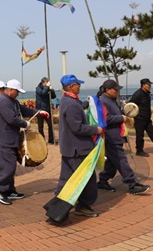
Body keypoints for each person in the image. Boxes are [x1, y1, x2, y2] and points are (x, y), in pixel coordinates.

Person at [51, 74, 103, 220]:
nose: (80, 86)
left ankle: (57, 210)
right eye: (78, 84)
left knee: (66, 181)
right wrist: (95, 129)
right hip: (78, 149)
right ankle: (83, 206)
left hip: (70, 148)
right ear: (71, 86)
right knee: (87, 179)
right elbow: (77, 128)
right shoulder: (72, 104)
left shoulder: (67, 101)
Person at [0, 79, 48, 205]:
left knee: (10, 166)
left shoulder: (13, 101)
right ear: (10, 90)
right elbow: (11, 119)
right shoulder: (3, 102)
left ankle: (9, 190)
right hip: (2, 140)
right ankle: (0, 190)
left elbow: (24, 110)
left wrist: (38, 112)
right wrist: (25, 123)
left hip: (9, 139)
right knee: (8, 166)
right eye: (17, 91)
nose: (18, 94)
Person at [96, 79, 150, 195]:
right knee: (121, 159)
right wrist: (122, 118)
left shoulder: (111, 100)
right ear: (107, 90)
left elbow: (116, 113)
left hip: (116, 134)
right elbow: (106, 119)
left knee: (112, 161)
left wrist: (125, 111)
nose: (117, 91)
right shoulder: (103, 101)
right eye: (115, 89)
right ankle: (132, 183)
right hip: (111, 136)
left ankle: (103, 180)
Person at [35, 77, 56, 144]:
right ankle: (42, 140)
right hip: (40, 109)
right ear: (43, 82)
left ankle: (51, 139)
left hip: (47, 109)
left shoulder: (47, 88)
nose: (47, 84)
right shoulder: (38, 88)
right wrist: (47, 87)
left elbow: (53, 96)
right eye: (46, 82)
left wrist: (51, 90)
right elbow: (42, 93)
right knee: (40, 126)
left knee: (50, 125)